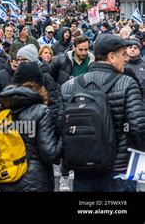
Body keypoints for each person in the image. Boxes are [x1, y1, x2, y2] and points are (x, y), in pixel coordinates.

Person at [61, 34, 145, 191]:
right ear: (111, 57)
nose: (126, 59)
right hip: (119, 170)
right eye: (123, 54)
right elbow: (138, 128)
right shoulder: (127, 84)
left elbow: (60, 130)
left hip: (82, 168)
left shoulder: (68, 87)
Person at [0, 62, 61, 192]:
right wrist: (63, 137)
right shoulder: (41, 111)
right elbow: (50, 154)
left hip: (5, 178)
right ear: (40, 86)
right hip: (35, 180)